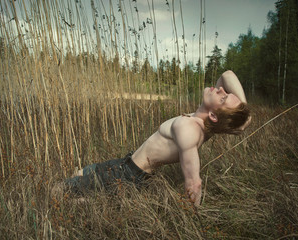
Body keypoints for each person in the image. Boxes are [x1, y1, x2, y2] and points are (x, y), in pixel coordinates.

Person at [57, 70, 251, 205]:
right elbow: (227, 75)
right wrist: (245, 114)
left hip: (128, 176)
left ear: (214, 116)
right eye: (225, 92)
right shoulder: (206, 123)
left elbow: (194, 182)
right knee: (79, 173)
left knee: (57, 192)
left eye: (223, 97)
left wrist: (192, 223)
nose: (221, 89)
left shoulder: (189, 128)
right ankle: (101, 201)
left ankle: (96, 203)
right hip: (125, 165)